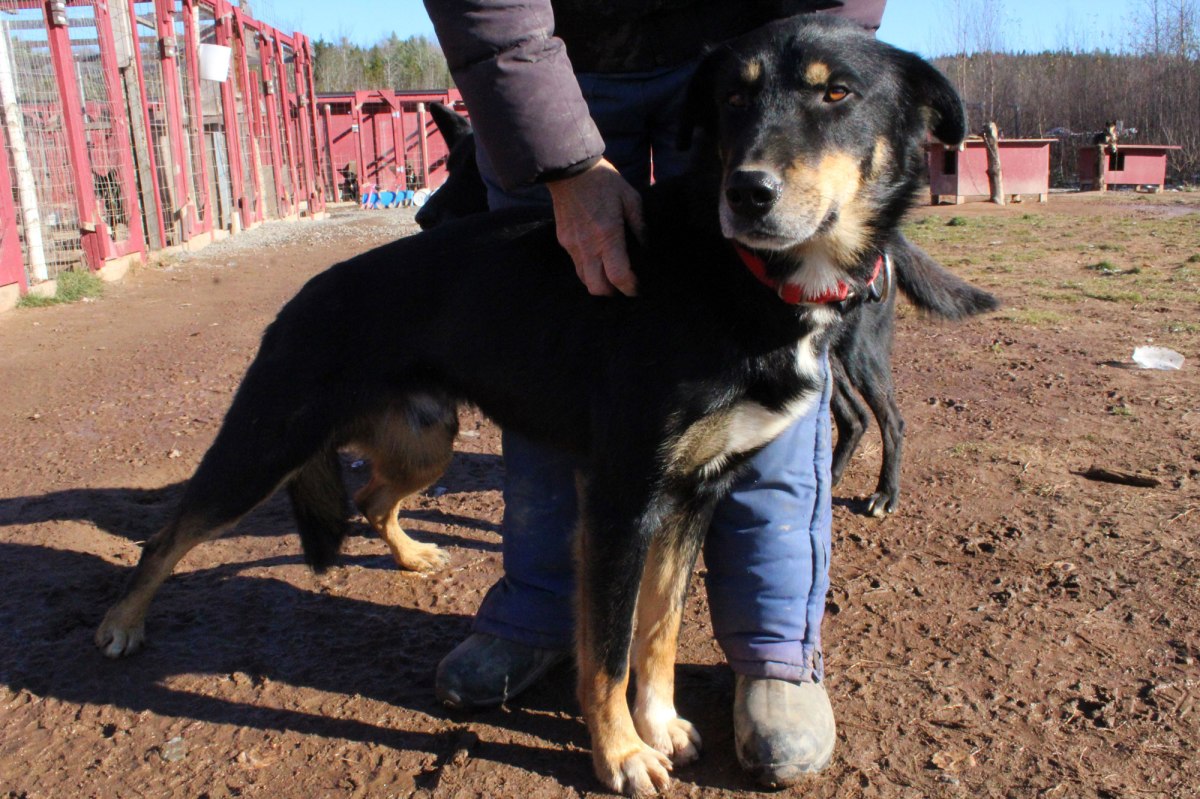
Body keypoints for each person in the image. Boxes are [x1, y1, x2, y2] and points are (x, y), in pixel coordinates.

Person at [422, 0, 886, 787]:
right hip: (554, 54)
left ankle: (772, 646)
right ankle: (542, 610)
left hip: (755, 41)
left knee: (765, 359)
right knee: (546, 355)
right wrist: (558, 158)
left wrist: (833, 65)